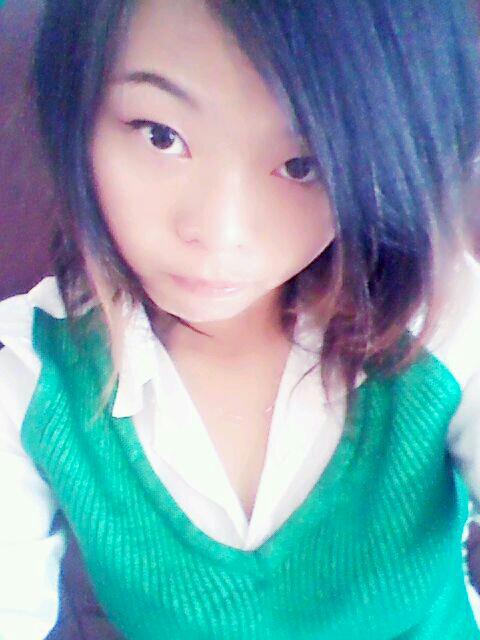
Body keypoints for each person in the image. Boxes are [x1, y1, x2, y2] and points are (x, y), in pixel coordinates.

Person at [1, 0, 480, 638]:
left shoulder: (440, 317)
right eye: (160, 135)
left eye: (303, 165)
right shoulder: (28, 371)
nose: (219, 233)